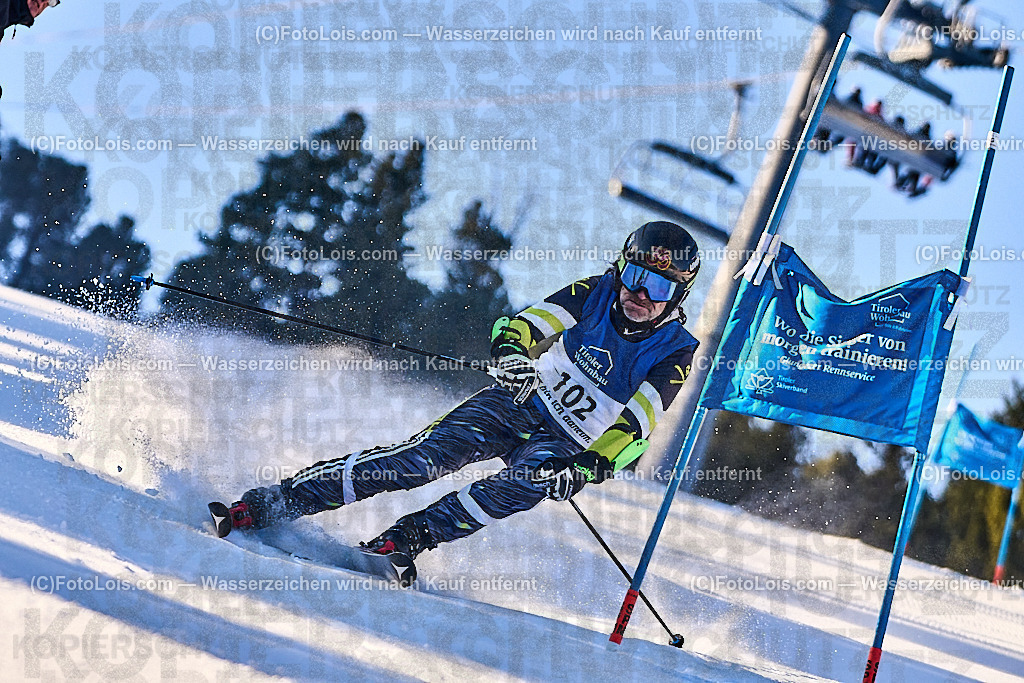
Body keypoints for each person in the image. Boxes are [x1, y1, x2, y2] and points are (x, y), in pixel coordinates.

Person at [219, 221, 701, 565]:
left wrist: (588, 466)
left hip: (570, 443)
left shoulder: (676, 350)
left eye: (659, 286)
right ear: (620, 271)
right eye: (635, 277)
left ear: (678, 295)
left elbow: (636, 426)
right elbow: (530, 324)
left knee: (519, 487)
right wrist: (513, 352)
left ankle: (406, 539)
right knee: (418, 461)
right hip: (522, 400)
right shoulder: (595, 291)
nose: (641, 295)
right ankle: (278, 501)